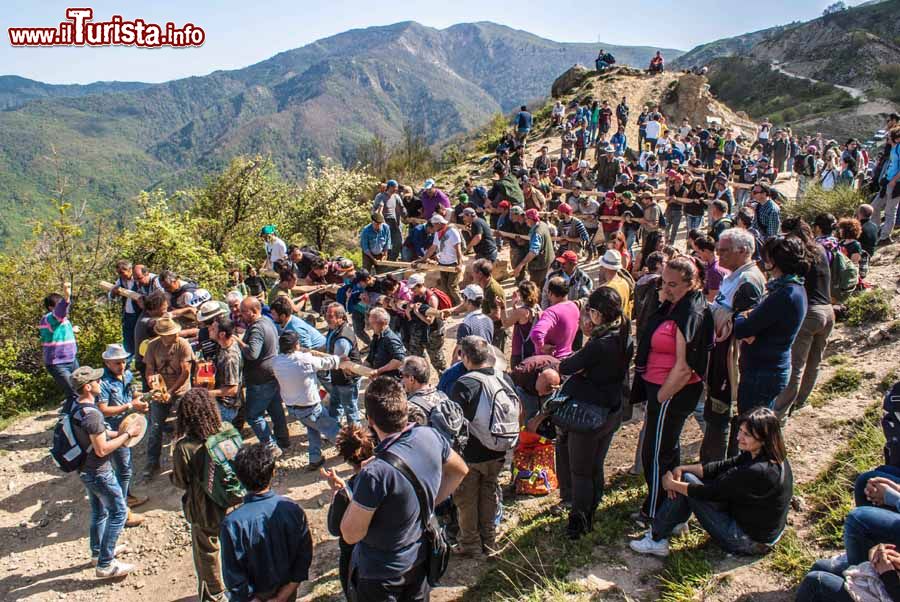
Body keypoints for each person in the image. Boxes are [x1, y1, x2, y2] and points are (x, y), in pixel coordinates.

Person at [339, 376, 468, 601]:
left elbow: (351, 535)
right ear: (404, 408)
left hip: (381, 573)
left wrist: (347, 493)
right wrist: (426, 503)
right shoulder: (430, 435)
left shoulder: (375, 472)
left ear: (370, 421)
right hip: (419, 558)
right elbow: (459, 470)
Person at [536, 288, 633, 539]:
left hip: (588, 413)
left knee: (580, 471)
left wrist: (580, 367)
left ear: (598, 314)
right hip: (611, 409)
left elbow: (568, 365)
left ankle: (579, 522)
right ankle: (592, 511)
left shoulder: (600, 344)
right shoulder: (623, 335)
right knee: (595, 467)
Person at [630, 408, 793, 557]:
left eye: (747, 435)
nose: (739, 437)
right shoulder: (771, 454)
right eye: (740, 431)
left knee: (686, 483)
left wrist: (672, 485)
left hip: (747, 541)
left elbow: (710, 493)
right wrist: (681, 468)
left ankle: (657, 538)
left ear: (763, 438)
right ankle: (675, 522)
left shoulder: (757, 470)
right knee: (686, 478)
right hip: (764, 531)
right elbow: (721, 466)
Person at [632, 256, 714, 523]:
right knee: (665, 449)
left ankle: (655, 510)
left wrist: (661, 395)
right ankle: (668, 503)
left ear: (692, 283)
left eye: (673, 285)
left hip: (671, 391)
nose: (666, 289)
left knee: (655, 453)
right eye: (664, 282)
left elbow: (684, 366)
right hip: (663, 388)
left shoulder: (689, 312)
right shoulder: (675, 304)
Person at [732, 237, 809, 443]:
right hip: (771, 366)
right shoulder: (794, 288)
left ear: (774, 260)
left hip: (763, 370)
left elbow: (742, 328)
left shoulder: (784, 294)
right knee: (760, 427)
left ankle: (756, 470)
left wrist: (740, 314)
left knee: (752, 431)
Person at [70, 365, 143, 578]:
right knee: (119, 512)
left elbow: (97, 435)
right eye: (96, 381)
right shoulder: (92, 414)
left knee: (99, 511)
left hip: (85, 469)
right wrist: (126, 435)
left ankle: (98, 551)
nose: (100, 383)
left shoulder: (78, 408)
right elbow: (102, 449)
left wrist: (117, 432)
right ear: (87, 387)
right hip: (99, 471)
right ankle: (105, 564)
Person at [700, 229, 766, 463]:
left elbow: (743, 328)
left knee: (720, 413)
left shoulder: (748, 282)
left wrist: (715, 314)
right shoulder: (733, 275)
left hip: (730, 360)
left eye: (724, 250)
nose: (719, 253)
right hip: (720, 355)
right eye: (718, 248)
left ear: (744, 251)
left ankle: (717, 465)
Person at [450, 336, 519, 556]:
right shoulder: (504, 377)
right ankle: (489, 540)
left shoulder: (465, 383)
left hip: (471, 454)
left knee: (466, 499)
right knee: (488, 493)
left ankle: (470, 544)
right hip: (499, 450)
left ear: (465, 356)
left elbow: (453, 422)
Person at [220, 443, 313, 602]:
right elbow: (303, 555)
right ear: (273, 473)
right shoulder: (292, 509)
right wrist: (284, 595)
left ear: (239, 478)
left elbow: (233, 575)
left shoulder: (232, 524)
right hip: (288, 592)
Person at [171, 388, 236, 602]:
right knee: (236, 543)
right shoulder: (226, 429)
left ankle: (214, 593)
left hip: (204, 506)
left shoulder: (184, 447)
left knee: (207, 550)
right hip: (233, 500)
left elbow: (181, 481)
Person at [774, 218, 835, 417]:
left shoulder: (800, 255)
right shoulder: (820, 250)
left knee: (794, 365)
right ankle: (800, 402)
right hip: (828, 310)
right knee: (814, 362)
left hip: (809, 314)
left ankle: (780, 411)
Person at [272, 330, 342, 471]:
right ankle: (351, 451)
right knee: (334, 430)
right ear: (296, 344)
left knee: (312, 429)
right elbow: (326, 363)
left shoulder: (276, 362)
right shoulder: (303, 360)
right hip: (310, 407)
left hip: (293, 408)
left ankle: (315, 458)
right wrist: (340, 359)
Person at [97, 343, 148, 523]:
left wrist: (140, 402)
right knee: (124, 469)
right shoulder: (103, 383)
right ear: (107, 363)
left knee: (124, 467)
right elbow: (103, 409)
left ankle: (126, 496)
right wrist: (130, 406)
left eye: (124, 362)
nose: (122, 366)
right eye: (117, 363)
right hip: (114, 430)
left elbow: (133, 395)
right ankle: (122, 508)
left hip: (128, 424)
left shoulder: (126, 375)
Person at [323, 424, 376, 599]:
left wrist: (337, 492)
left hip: (356, 559)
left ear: (346, 457)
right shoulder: (387, 476)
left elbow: (334, 528)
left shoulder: (346, 494)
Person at [143, 314, 194, 479]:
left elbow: (186, 372)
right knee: (155, 427)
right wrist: (152, 380)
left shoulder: (183, 345)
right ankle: (152, 463)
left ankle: (187, 462)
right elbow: (149, 367)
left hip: (180, 391)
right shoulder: (153, 346)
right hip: (161, 391)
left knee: (185, 427)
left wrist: (171, 391)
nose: (175, 335)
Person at [236, 296, 288, 457]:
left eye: (244, 312)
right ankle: (283, 439)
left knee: (253, 415)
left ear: (254, 311)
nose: (241, 315)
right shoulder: (267, 320)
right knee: (275, 409)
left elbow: (252, 353)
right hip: (271, 374)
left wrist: (239, 342)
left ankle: (271, 445)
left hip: (260, 379)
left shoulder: (257, 328)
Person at [41, 281, 79, 413]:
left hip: (71, 359)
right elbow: (59, 313)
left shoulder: (60, 320)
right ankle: (65, 422)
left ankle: (74, 418)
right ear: (51, 308)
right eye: (58, 306)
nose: (64, 310)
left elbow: (57, 329)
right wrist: (67, 297)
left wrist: (71, 329)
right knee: (74, 393)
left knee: (80, 389)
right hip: (58, 363)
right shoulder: (49, 318)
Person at [323, 302, 362, 427]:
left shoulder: (342, 339)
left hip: (347, 380)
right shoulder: (334, 329)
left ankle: (356, 436)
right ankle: (334, 429)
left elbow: (337, 362)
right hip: (337, 378)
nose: (326, 318)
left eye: (330, 316)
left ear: (340, 318)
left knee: (350, 410)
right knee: (334, 404)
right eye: (326, 314)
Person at [403, 273, 447, 373]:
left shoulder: (432, 298)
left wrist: (417, 312)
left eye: (413, 288)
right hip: (420, 330)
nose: (411, 291)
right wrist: (408, 310)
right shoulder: (416, 296)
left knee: (437, 359)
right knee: (416, 357)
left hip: (433, 332)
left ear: (420, 285)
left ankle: (445, 382)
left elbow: (430, 321)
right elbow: (410, 317)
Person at [529, 277, 582, 360]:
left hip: (549, 361)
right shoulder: (574, 307)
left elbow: (536, 334)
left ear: (550, 293)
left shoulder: (551, 312)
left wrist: (542, 347)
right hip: (567, 357)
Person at [419, 213, 464, 306]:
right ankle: (451, 304)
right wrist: (424, 259)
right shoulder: (437, 233)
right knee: (444, 286)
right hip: (442, 263)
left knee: (452, 286)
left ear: (438, 223)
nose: (433, 227)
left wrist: (459, 264)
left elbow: (458, 249)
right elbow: (433, 247)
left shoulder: (452, 232)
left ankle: (461, 304)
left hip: (453, 263)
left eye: (433, 225)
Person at [207, 315, 243, 424]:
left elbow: (232, 390)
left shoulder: (230, 358)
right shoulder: (227, 343)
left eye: (213, 329)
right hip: (221, 402)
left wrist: (206, 393)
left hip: (225, 407)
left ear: (222, 334)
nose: (209, 329)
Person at [502, 280, 542, 368]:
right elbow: (521, 321)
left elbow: (505, 324)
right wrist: (513, 306)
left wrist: (502, 307)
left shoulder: (521, 312)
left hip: (520, 352)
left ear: (521, 295)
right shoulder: (537, 308)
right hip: (532, 350)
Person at [513, 209, 555, 288]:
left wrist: (521, 265)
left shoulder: (537, 232)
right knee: (544, 284)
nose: (525, 221)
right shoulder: (543, 224)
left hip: (540, 264)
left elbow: (533, 251)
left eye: (526, 219)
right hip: (548, 260)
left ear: (531, 219)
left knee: (535, 287)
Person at [109, 259, 141, 361]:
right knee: (128, 341)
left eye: (122, 272)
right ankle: (127, 362)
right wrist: (114, 292)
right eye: (119, 273)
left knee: (139, 338)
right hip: (127, 315)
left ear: (129, 270)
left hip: (139, 314)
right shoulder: (120, 281)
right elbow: (111, 296)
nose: (121, 275)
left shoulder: (138, 279)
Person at [365, 307, 407, 379]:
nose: (371, 327)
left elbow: (399, 360)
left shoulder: (390, 339)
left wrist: (379, 371)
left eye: (373, 323)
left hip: (390, 382)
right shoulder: (376, 337)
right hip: (379, 379)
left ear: (383, 322)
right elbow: (370, 359)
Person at [373, 179, 405, 261]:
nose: (396, 189)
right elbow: (378, 209)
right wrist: (380, 221)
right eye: (394, 187)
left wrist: (404, 217)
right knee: (386, 242)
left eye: (396, 187)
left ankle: (393, 258)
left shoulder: (396, 197)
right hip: (384, 221)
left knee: (398, 241)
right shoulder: (381, 196)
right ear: (390, 187)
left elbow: (401, 209)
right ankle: (385, 259)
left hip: (394, 221)